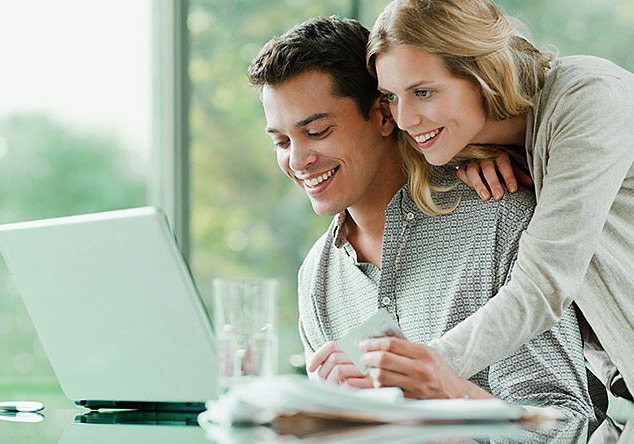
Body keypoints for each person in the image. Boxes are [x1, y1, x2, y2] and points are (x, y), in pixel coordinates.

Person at [247, 16, 595, 416]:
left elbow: (565, 424)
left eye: (318, 132)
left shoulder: (497, 216)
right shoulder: (317, 277)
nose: (298, 160)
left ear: (383, 115)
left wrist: (448, 395)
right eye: (281, 141)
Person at [364, 0, 634, 406]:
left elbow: (543, 286)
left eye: (423, 92)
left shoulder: (590, 98)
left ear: (483, 72)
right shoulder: (493, 148)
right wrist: (478, 152)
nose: (404, 120)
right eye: (392, 97)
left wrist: (432, 364)